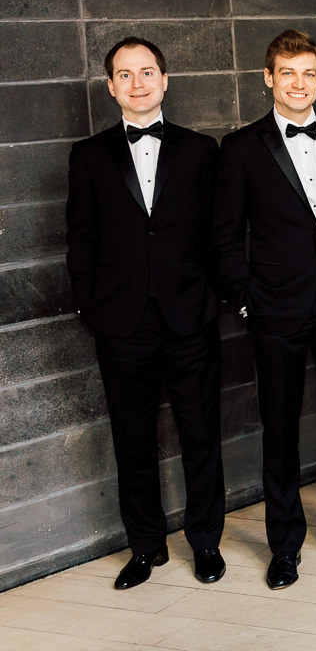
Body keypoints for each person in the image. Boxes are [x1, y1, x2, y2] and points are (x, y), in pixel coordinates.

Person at [213, 29, 316, 590]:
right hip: (275, 310)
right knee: (279, 430)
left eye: (308, 73)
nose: (299, 84)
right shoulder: (240, 149)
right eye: (288, 73)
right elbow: (225, 237)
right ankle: (284, 546)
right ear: (268, 78)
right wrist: (247, 299)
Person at [66, 37, 227, 590]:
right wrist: (91, 306)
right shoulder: (88, 156)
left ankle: (205, 541)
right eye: (125, 74)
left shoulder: (202, 151)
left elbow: (218, 234)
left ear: (165, 80)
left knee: (200, 433)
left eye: (147, 72)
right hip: (121, 322)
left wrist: (210, 297)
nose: (138, 83)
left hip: (190, 317)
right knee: (131, 438)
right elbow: (80, 239)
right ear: (111, 87)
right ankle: (145, 546)